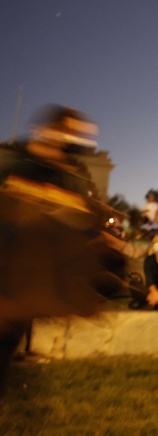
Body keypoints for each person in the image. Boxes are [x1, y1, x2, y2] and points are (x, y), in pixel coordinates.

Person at [0, 105, 114, 390]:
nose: (71, 141)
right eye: (67, 132)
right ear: (44, 130)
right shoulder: (11, 164)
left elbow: (80, 230)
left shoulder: (69, 178)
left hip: (26, 288)